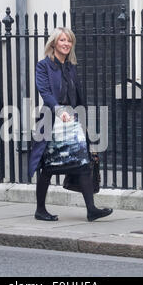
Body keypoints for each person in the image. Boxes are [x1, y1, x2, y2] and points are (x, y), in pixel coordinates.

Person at [28, 27, 113, 222]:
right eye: (62, 40)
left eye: (69, 41)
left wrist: (83, 122)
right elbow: (45, 91)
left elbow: (78, 97)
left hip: (72, 120)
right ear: (54, 43)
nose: (66, 44)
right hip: (52, 119)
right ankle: (40, 210)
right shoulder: (44, 66)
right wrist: (59, 111)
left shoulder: (71, 67)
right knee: (49, 166)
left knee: (83, 163)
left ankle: (91, 209)